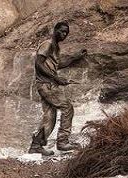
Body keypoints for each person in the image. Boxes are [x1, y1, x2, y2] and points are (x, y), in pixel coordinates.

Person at [28, 21, 87, 156]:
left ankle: (36, 146)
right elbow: (38, 64)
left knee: (50, 117)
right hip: (46, 85)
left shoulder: (55, 48)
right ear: (55, 30)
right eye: (61, 31)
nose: (63, 34)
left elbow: (56, 65)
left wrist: (74, 58)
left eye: (66, 33)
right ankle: (63, 142)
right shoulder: (47, 45)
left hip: (47, 84)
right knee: (67, 107)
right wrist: (56, 78)